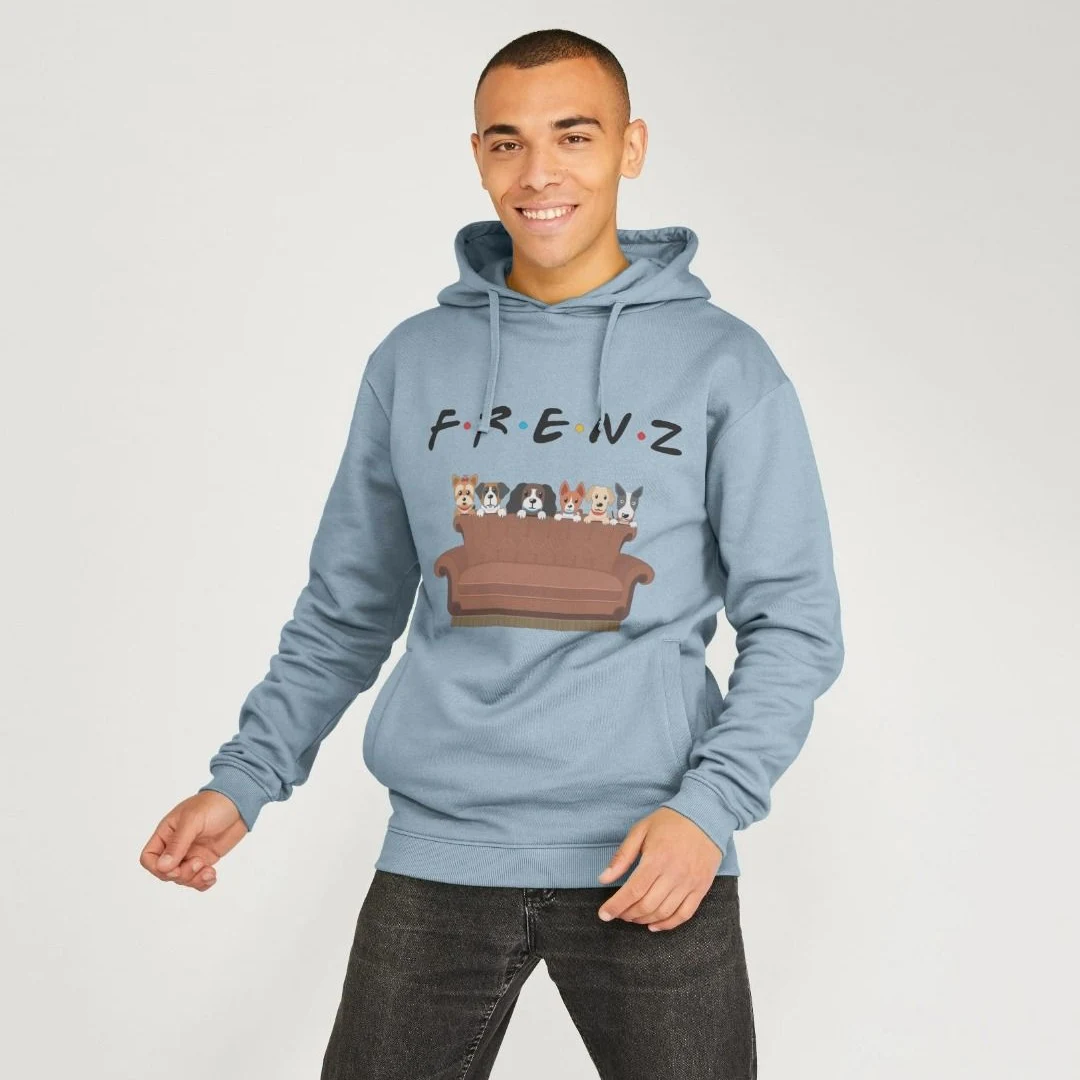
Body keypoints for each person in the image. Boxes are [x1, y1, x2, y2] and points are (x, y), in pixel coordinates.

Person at [140, 28, 844, 1079]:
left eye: (574, 136)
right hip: (441, 852)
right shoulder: (413, 361)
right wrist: (242, 780)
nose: (539, 172)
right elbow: (346, 609)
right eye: (508, 142)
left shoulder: (723, 364)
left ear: (631, 147)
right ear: (478, 157)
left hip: (654, 854)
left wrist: (708, 812)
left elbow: (796, 624)